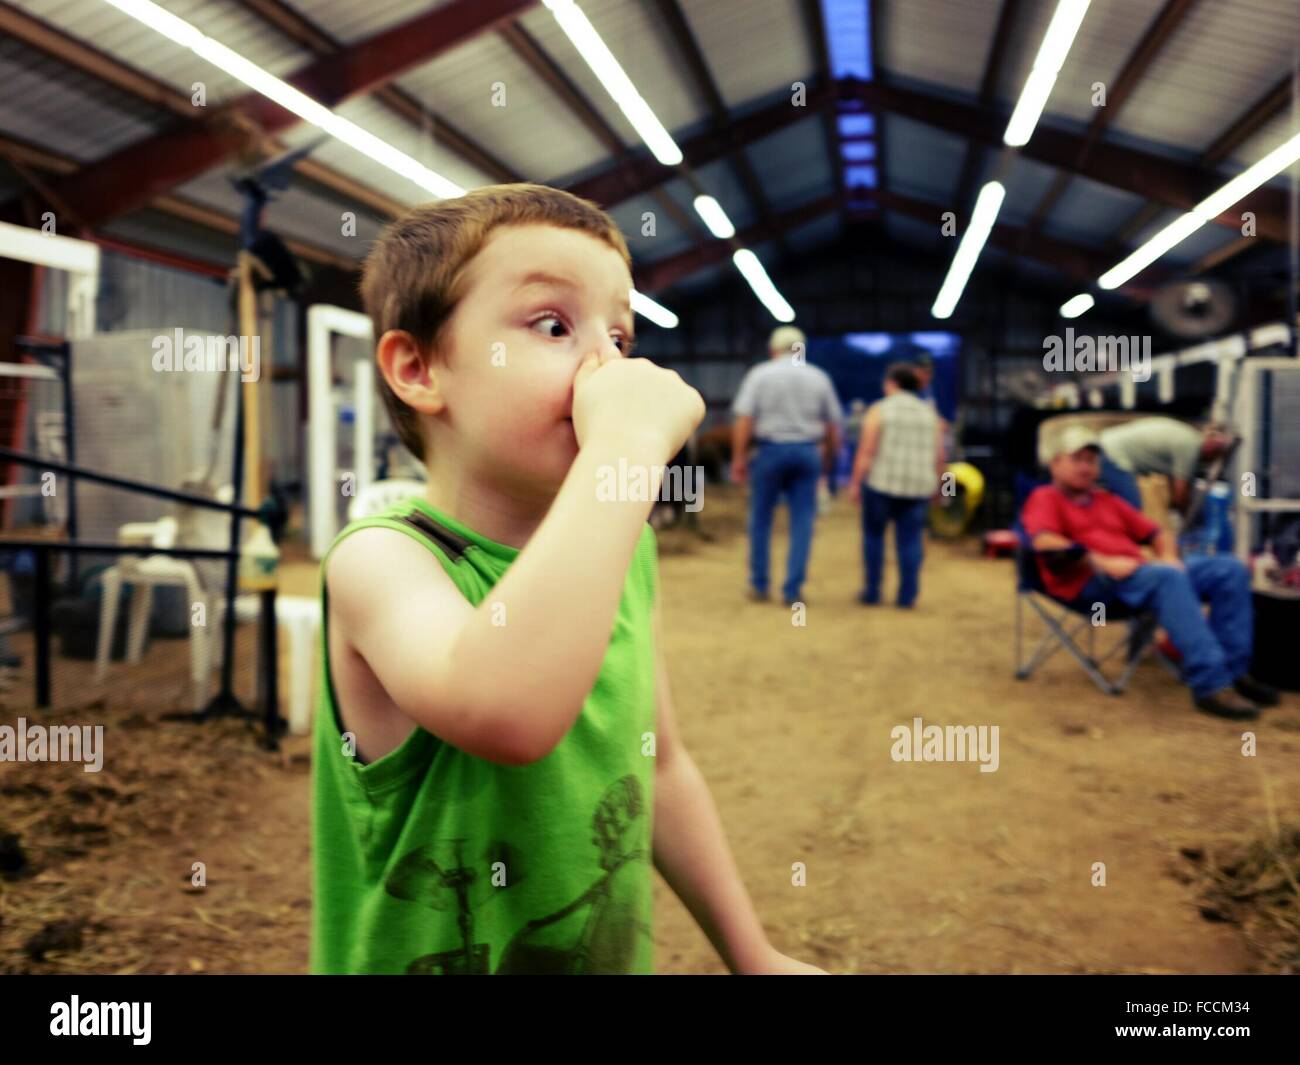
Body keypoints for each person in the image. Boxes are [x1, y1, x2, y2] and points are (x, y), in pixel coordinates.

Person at [314, 184, 824, 975]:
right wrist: (624, 448)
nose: (604, 365)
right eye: (553, 325)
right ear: (418, 368)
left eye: (620, 337)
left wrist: (752, 953)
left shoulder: (627, 553)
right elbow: (509, 713)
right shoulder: (380, 559)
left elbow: (661, 763)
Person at [1021, 426, 1279, 720]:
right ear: (1055, 463)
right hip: (1096, 585)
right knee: (1166, 579)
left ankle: (1234, 672)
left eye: (1091, 461)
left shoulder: (1107, 499)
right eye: (1077, 459)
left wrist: (1169, 556)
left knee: (1228, 568)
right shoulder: (1046, 498)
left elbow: (1155, 532)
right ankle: (1211, 684)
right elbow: (1045, 541)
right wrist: (1102, 562)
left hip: (1140, 575)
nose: (1085, 467)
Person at [730, 325, 843, 605]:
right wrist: (829, 461)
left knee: (761, 519)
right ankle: (792, 590)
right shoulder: (819, 378)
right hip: (807, 452)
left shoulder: (760, 375)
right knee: (803, 520)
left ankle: (759, 584)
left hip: (769, 452)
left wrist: (738, 458)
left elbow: (744, 420)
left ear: (772, 350)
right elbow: (832, 427)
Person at [848, 363, 944, 607]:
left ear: (892, 384)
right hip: (917, 487)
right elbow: (940, 456)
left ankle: (873, 591)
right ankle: (907, 596)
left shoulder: (879, 410)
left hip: (881, 484)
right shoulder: (930, 414)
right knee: (910, 541)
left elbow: (867, 450)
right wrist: (940, 488)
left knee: (873, 537)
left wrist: (856, 482)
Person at [1098, 415, 1233, 513]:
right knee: (1132, 508)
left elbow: (1175, 486)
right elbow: (1180, 494)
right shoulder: (1190, 447)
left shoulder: (1188, 437)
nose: (1211, 462)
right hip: (1114, 453)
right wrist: (1188, 517)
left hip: (1108, 444)